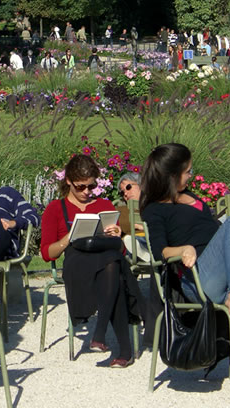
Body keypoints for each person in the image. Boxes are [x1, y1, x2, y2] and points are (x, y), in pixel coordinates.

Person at [41, 154, 145, 368]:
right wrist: (68, 238)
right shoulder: (55, 209)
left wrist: (117, 233)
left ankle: (100, 333)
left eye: (92, 186)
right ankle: (122, 349)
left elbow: (122, 249)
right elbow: (47, 253)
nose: (87, 192)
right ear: (68, 181)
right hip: (76, 262)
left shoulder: (104, 204)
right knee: (114, 268)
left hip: (105, 257)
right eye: (81, 187)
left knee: (113, 264)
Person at [140, 143, 230, 327]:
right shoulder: (155, 209)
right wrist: (184, 249)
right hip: (199, 280)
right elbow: (159, 252)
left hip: (225, 269)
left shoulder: (190, 195)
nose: (191, 175)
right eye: (187, 171)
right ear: (172, 176)